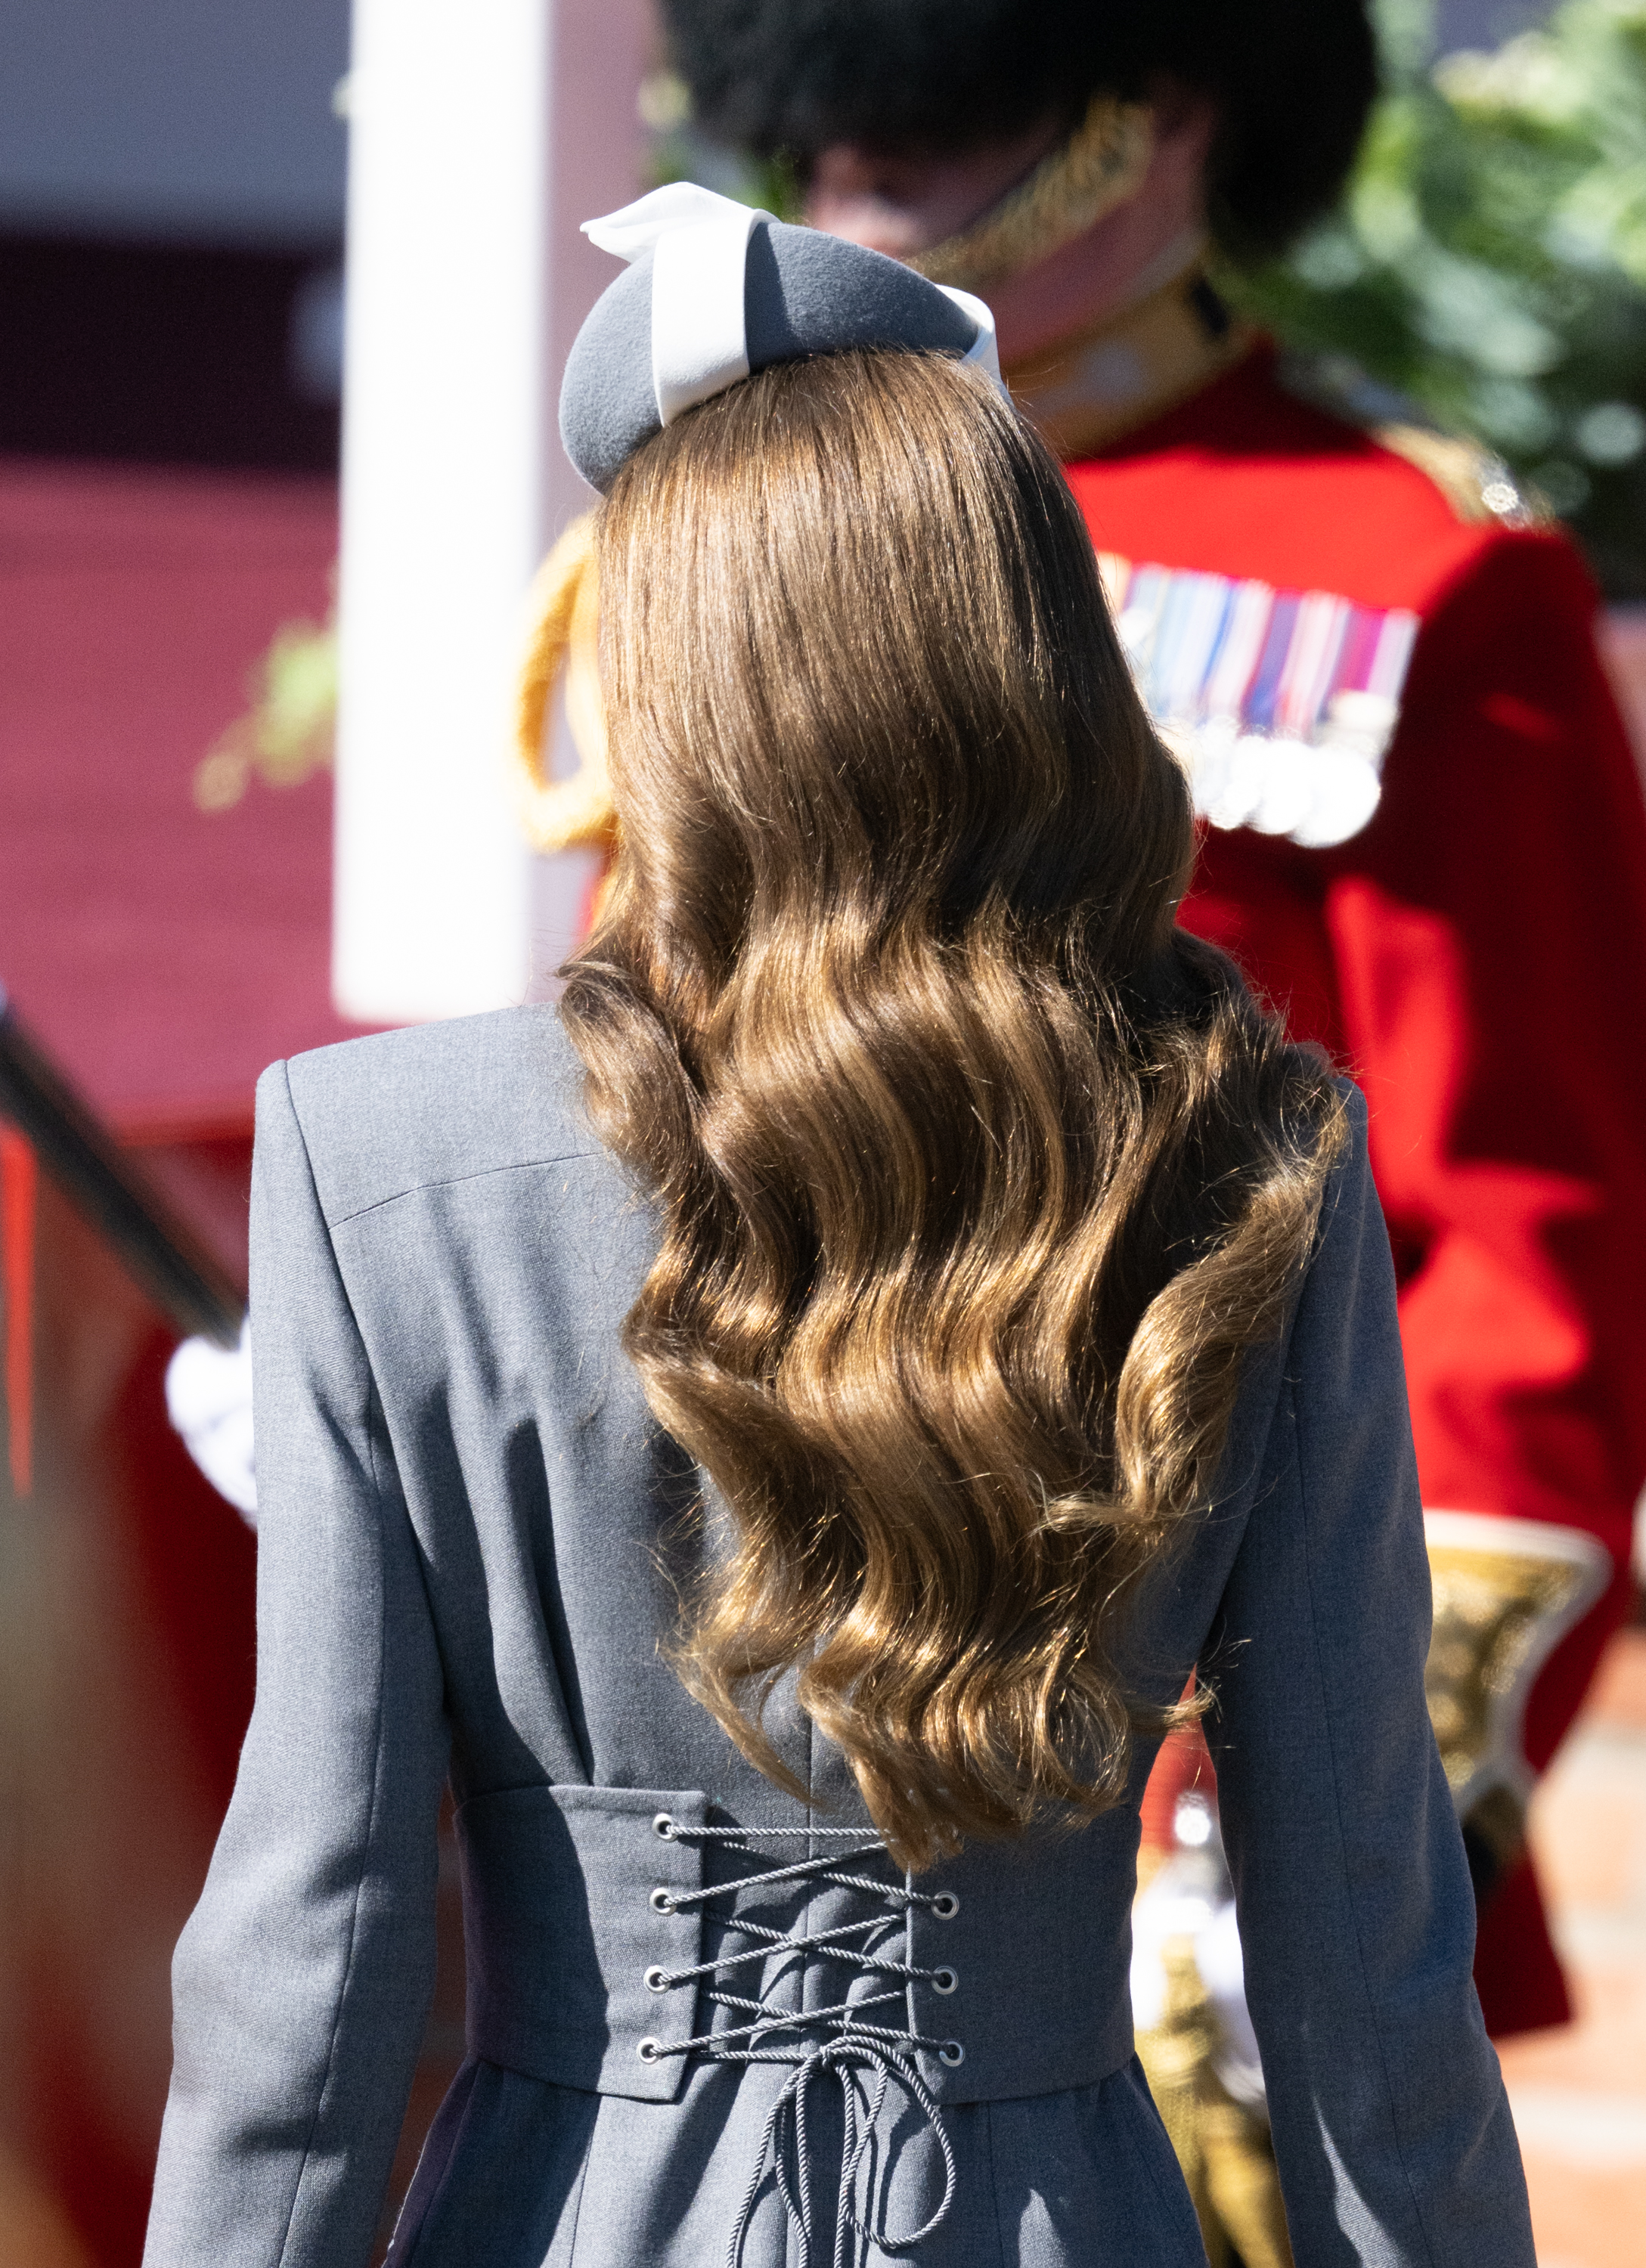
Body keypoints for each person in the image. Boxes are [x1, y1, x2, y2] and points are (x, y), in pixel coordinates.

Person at [143, 191, 1532, 2268]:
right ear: (1022, 642)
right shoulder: (1256, 1152)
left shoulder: (371, 1165)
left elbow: (310, 1952)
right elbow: (1366, 1963)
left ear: (654, 669)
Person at [659, 0, 1646, 2051]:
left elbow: (1524, 1249)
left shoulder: (1409, 580)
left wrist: (1341, 1788)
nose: (855, 188)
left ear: (1156, 116)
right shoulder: (755, 526)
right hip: (727, 1670)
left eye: (931, 127)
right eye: (832, 136)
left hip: (1151, 1707)